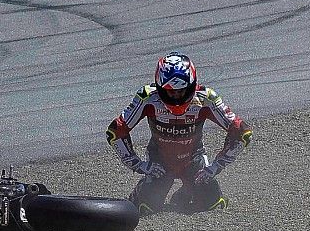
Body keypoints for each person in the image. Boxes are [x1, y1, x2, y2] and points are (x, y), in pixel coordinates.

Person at [106, 52, 252, 214]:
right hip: (159, 163)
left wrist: (215, 167)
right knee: (145, 208)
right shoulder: (146, 97)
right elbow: (115, 131)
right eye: (171, 92)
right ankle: (138, 195)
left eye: (181, 91)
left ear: (192, 85)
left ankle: (186, 191)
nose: (176, 96)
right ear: (160, 87)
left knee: (214, 205)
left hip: (193, 160)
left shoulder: (207, 98)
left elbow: (242, 132)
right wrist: (141, 165)